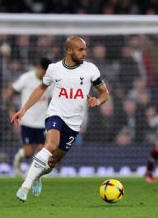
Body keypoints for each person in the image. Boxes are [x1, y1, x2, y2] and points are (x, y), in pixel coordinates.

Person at [11, 36, 110, 202]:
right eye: (80, 49)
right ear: (69, 50)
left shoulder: (91, 69)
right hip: (55, 114)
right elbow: (41, 88)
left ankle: (38, 175)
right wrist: (23, 109)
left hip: (74, 122)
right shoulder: (54, 69)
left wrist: (98, 101)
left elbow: (105, 93)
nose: (84, 53)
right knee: (51, 145)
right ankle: (25, 187)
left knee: (53, 161)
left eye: (85, 49)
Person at [7, 57, 53, 177]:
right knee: (28, 153)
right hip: (27, 121)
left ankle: (32, 175)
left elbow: (53, 99)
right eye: (44, 71)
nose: (45, 74)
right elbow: (11, 93)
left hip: (42, 122)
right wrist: (11, 111)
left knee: (41, 151)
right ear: (39, 67)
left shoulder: (49, 82)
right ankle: (18, 159)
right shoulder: (26, 78)